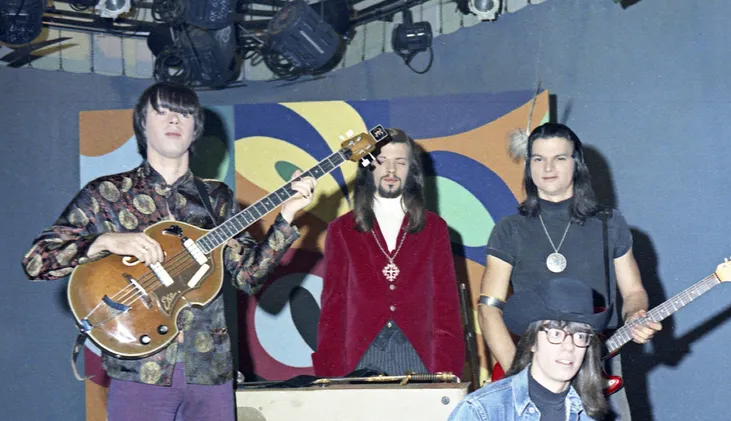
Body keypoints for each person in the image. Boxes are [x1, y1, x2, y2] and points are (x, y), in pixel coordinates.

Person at [21, 82, 317, 421]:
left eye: (185, 114)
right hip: (139, 371)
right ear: (142, 124)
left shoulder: (216, 198)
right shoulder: (106, 193)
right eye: (163, 111)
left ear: (196, 130)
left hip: (210, 370)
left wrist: (287, 215)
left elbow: (249, 275)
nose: (174, 119)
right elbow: (37, 261)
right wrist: (105, 241)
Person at [478, 122, 661, 419]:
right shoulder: (509, 229)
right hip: (533, 360)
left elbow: (634, 291)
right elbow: (489, 308)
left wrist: (634, 315)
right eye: (538, 159)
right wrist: (518, 375)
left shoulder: (609, 223)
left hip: (598, 359)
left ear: (577, 164)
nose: (548, 167)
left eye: (559, 158)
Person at [312, 128, 465, 377]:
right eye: (382, 161)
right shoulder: (341, 229)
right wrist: (331, 374)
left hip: (419, 357)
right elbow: (333, 307)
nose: (391, 170)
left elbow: (445, 305)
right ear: (367, 166)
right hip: (360, 358)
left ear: (411, 170)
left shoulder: (434, 228)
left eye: (400, 162)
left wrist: (446, 370)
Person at [449, 277, 611, 421]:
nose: (569, 346)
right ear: (532, 341)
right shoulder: (482, 411)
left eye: (580, 336)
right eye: (555, 333)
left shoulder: (588, 415)